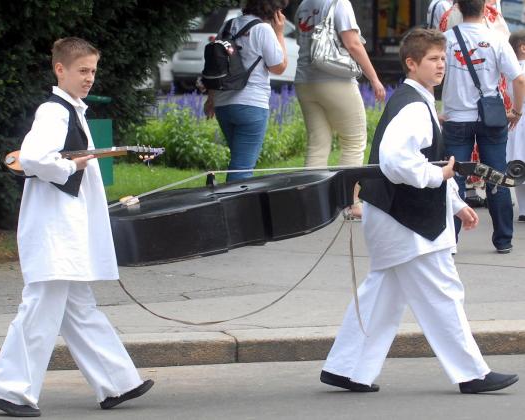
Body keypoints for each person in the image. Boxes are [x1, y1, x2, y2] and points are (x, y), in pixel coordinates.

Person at [321, 27, 519, 394]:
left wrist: (456, 203)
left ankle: (346, 368)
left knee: (383, 297)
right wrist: (437, 177)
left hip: (395, 217)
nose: (441, 65)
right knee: (444, 293)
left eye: (443, 59)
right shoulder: (413, 106)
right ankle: (472, 374)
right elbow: (397, 161)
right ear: (411, 64)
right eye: (433, 59)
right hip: (407, 222)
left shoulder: (415, 100)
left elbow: (421, 161)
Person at [0, 37, 153, 417]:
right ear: (60, 69)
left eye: (93, 70)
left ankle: (118, 382)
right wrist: (69, 167)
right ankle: (10, 390)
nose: (89, 77)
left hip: (63, 231)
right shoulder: (53, 111)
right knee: (40, 309)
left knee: (78, 309)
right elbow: (32, 158)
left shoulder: (72, 110)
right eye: (82, 70)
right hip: (54, 232)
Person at [441, 0, 525, 254]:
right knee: (496, 176)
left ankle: (450, 242)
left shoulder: (446, 39)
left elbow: (434, 75)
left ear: (458, 8)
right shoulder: (497, 39)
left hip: (456, 118)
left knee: (454, 178)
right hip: (492, 118)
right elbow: (519, 79)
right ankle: (503, 240)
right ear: (485, 9)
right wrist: (516, 112)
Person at [294, 0, 385, 218]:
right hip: (335, 79)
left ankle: (311, 206)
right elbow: (352, 43)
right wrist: (374, 78)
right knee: (354, 142)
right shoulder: (340, 3)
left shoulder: (304, 5)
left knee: (317, 144)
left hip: (304, 80)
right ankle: (350, 203)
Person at [203, 0, 288, 182]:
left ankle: (224, 195)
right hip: (251, 104)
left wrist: (211, 99)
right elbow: (279, 67)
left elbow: (215, 65)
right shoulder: (263, 29)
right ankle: (232, 200)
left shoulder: (227, 26)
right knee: (242, 169)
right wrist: (279, 33)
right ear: (274, 10)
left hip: (223, 104)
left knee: (238, 162)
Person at [507, 30, 525, 222]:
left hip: (515, 120)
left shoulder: (509, 70)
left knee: (518, 166)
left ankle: (523, 210)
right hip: (521, 115)